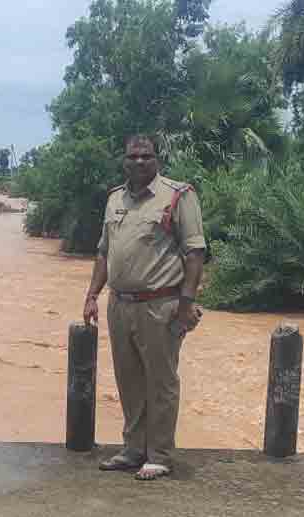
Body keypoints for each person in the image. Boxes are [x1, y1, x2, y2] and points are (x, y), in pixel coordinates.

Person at [82, 135, 207, 481]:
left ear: (157, 159)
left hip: (161, 305)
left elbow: (195, 253)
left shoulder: (178, 195)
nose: (139, 162)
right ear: (124, 160)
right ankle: (134, 449)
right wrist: (92, 295)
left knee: (161, 382)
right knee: (129, 381)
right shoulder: (114, 199)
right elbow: (103, 253)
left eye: (146, 156)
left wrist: (186, 303)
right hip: (119, 304)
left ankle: (160, 455)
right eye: (133, 157)